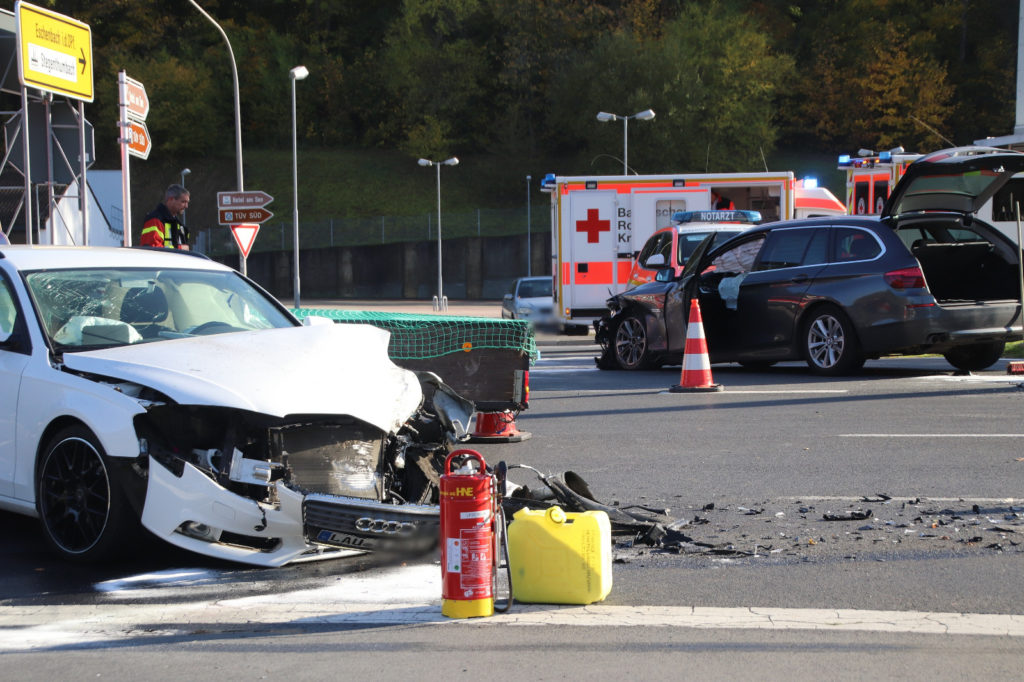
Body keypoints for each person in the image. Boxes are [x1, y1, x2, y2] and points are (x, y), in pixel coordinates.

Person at [141, 184, 190, 249]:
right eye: (183, 202)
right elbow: (152, 249)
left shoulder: (179, 225)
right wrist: (179, 249)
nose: (186, 206)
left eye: (187, 202)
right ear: (171, 199)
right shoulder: (155, 220)